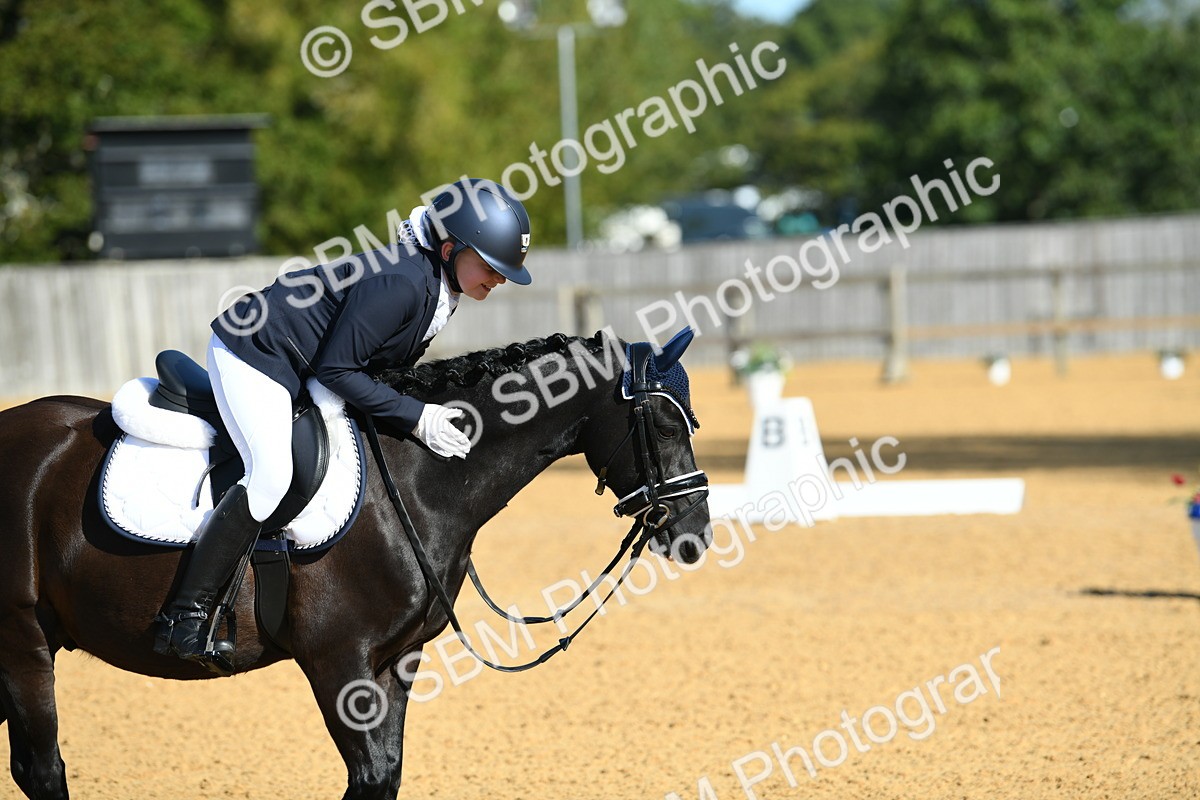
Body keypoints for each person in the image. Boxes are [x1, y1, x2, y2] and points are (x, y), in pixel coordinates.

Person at [152, 178, 532, 673]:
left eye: (504, 272)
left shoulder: (440, 283)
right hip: (257, 354)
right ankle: (186, 613)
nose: (498, 279)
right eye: (490, 265)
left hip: (305, 365)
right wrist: (418, 416)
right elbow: (337, 370)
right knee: (271, 476)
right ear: (448, 247)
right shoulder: (401, 281)